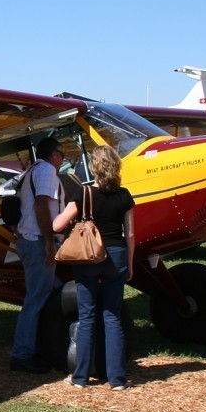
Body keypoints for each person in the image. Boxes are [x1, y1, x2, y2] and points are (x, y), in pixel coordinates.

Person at [52, 145, 135, 390]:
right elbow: (129, 233)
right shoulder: (125, 195)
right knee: (112, 317)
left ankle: (80, 377)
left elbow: (58, 225)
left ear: (94, 168)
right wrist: (129, 263)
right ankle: (117, 379)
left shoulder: (84, 193)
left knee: (87, 317)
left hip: (89, 257)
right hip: (117, 256)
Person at [8, 137, 67, 374]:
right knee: (36, 299)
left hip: (30, 240)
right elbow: (41, 206)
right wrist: (50, 244)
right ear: (53, 155)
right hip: (37, 242)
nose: (64, 158)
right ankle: (21, 355)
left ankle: (38, 347)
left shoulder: (32, 171)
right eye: (62, 153)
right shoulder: (46, 172)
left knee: (44, 294)